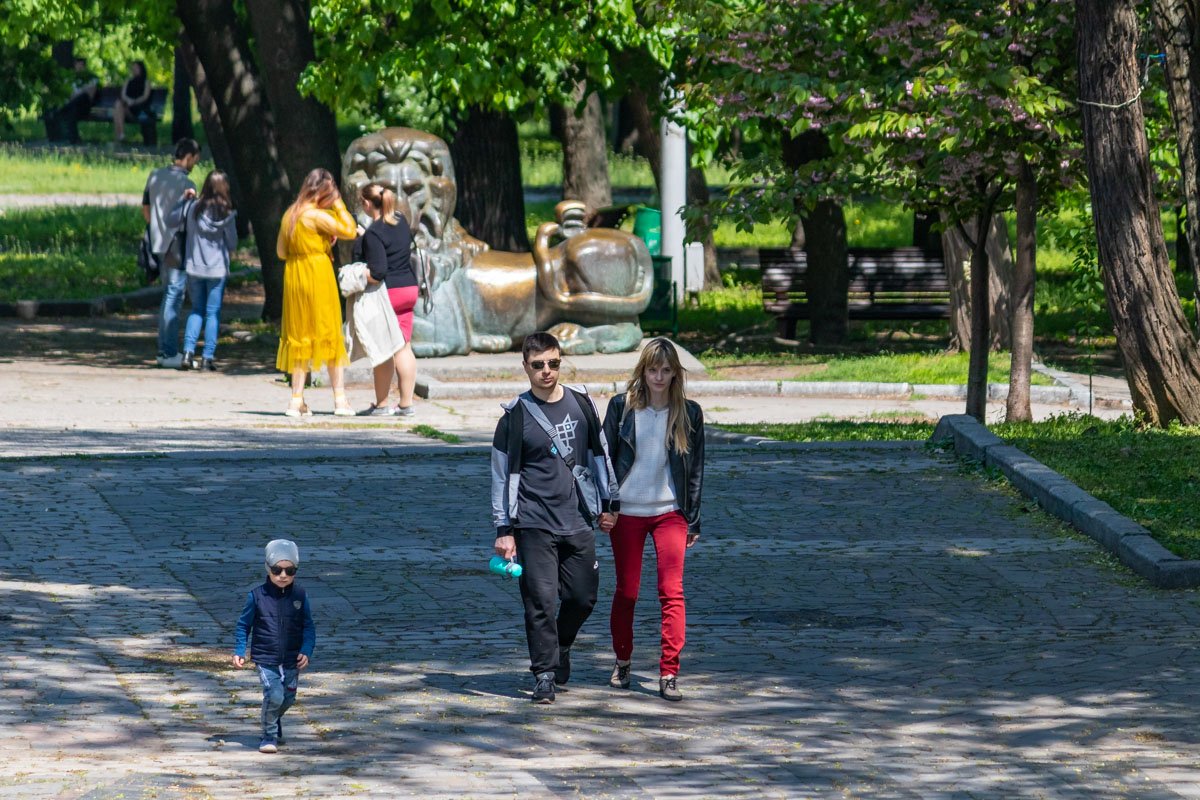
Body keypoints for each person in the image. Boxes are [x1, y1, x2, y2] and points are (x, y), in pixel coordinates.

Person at [491, 331, 619, 704]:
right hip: (532, 522)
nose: (547, 371)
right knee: (540, 600)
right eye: (538, 365)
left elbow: (600, 454)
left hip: (577, 517)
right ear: (525, 366)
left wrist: (609, 503)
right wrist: (504, 529)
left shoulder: (581, 404)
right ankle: (544, 674)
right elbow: (500, 477)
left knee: (582, 598)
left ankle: (561, 645)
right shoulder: (514, 418)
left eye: (553, 363)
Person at [600, 338, 705, 702]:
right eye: (652, 369)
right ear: (642, 371)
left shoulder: (689, 413)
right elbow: (605, 461)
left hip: (670, 513)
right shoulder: (622, 409)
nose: (658, 377)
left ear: (675, 373)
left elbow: (695, 471)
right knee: (627, 591)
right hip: (626, 511)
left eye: (665, 370)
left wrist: (693, 518)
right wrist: (606, 505)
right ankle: (623, 660)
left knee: (671, 592)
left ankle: (669, 672)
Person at [275, 168, 358, 417]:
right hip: (317, 273)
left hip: (294, 276)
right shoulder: (315, 215)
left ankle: (296, 400)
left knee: (299, 337)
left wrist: (316, 241)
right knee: (329, 332)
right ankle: (340, 400)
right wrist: (340, 205)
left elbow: (280, 252)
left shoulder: (290, 214)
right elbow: (350, 230)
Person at [233, 539, 316, 754]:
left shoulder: (300, 596)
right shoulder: (257, 596)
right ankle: (268, 735)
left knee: (288, 698)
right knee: (274, 694)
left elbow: (308, 626)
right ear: (268, 569)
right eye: (277, 569)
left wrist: (306, 650)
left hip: (291, 658)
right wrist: (240, 650)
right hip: (265, 656)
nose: (283, 575)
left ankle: (274, 719)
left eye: (290, 570)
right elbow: (244, 625)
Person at [352, 183, 419, 417]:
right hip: (409, 288)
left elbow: (378, 271)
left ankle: (381, 405)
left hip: (388, 294)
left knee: (384, 349)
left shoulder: (374, 232)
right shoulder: (400, 221)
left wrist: (356, 277)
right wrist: (365, 237)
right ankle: (406, 404)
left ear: (368, 204)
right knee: (404, 346)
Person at [166, 171, 237, 371]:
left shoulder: (192, 208)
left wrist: (182, 199)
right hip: (217, 270)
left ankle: (188, 352)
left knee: (196, 310)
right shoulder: (228, 213)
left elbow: (170, 221)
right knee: (212, 313)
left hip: (194, 268)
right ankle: (208, 358)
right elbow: (232, 243)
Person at [144, 138, 201, 368]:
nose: (195, 164)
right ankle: (168, 352)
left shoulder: (154, 176)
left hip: (158, 242)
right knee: (174, 297)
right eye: (195, 160)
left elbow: (145, 208)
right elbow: (192, 218)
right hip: (177, 245)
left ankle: (163, 350)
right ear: (188, 157)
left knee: (168, 295)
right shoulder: (188, 183)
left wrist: (154, 228)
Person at [44, 58, 98, 144]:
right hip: (72, 106)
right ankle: (62, 138)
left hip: (83, 106)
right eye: (77, 66)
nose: (79, 68)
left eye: (81, 66)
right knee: (60, 110)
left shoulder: (91, 78)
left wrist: (77, 95)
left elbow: (90, 95)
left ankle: (63, 109)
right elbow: (66, 93)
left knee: (82, 97)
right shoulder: (71, 79)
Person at [113, 60, 151, 144]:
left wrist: (134, 101)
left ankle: (119, 136)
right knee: (118, 105)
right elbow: (123, 94)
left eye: (136, 68)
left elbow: (145, 96)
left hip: (138, 109)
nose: (134, 69)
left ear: (141, 69)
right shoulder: (128, 81)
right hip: (127, 106)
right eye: (133, 68)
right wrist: (128, 100)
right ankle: (121, 135)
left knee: (117, 109)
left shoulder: (146, 82)